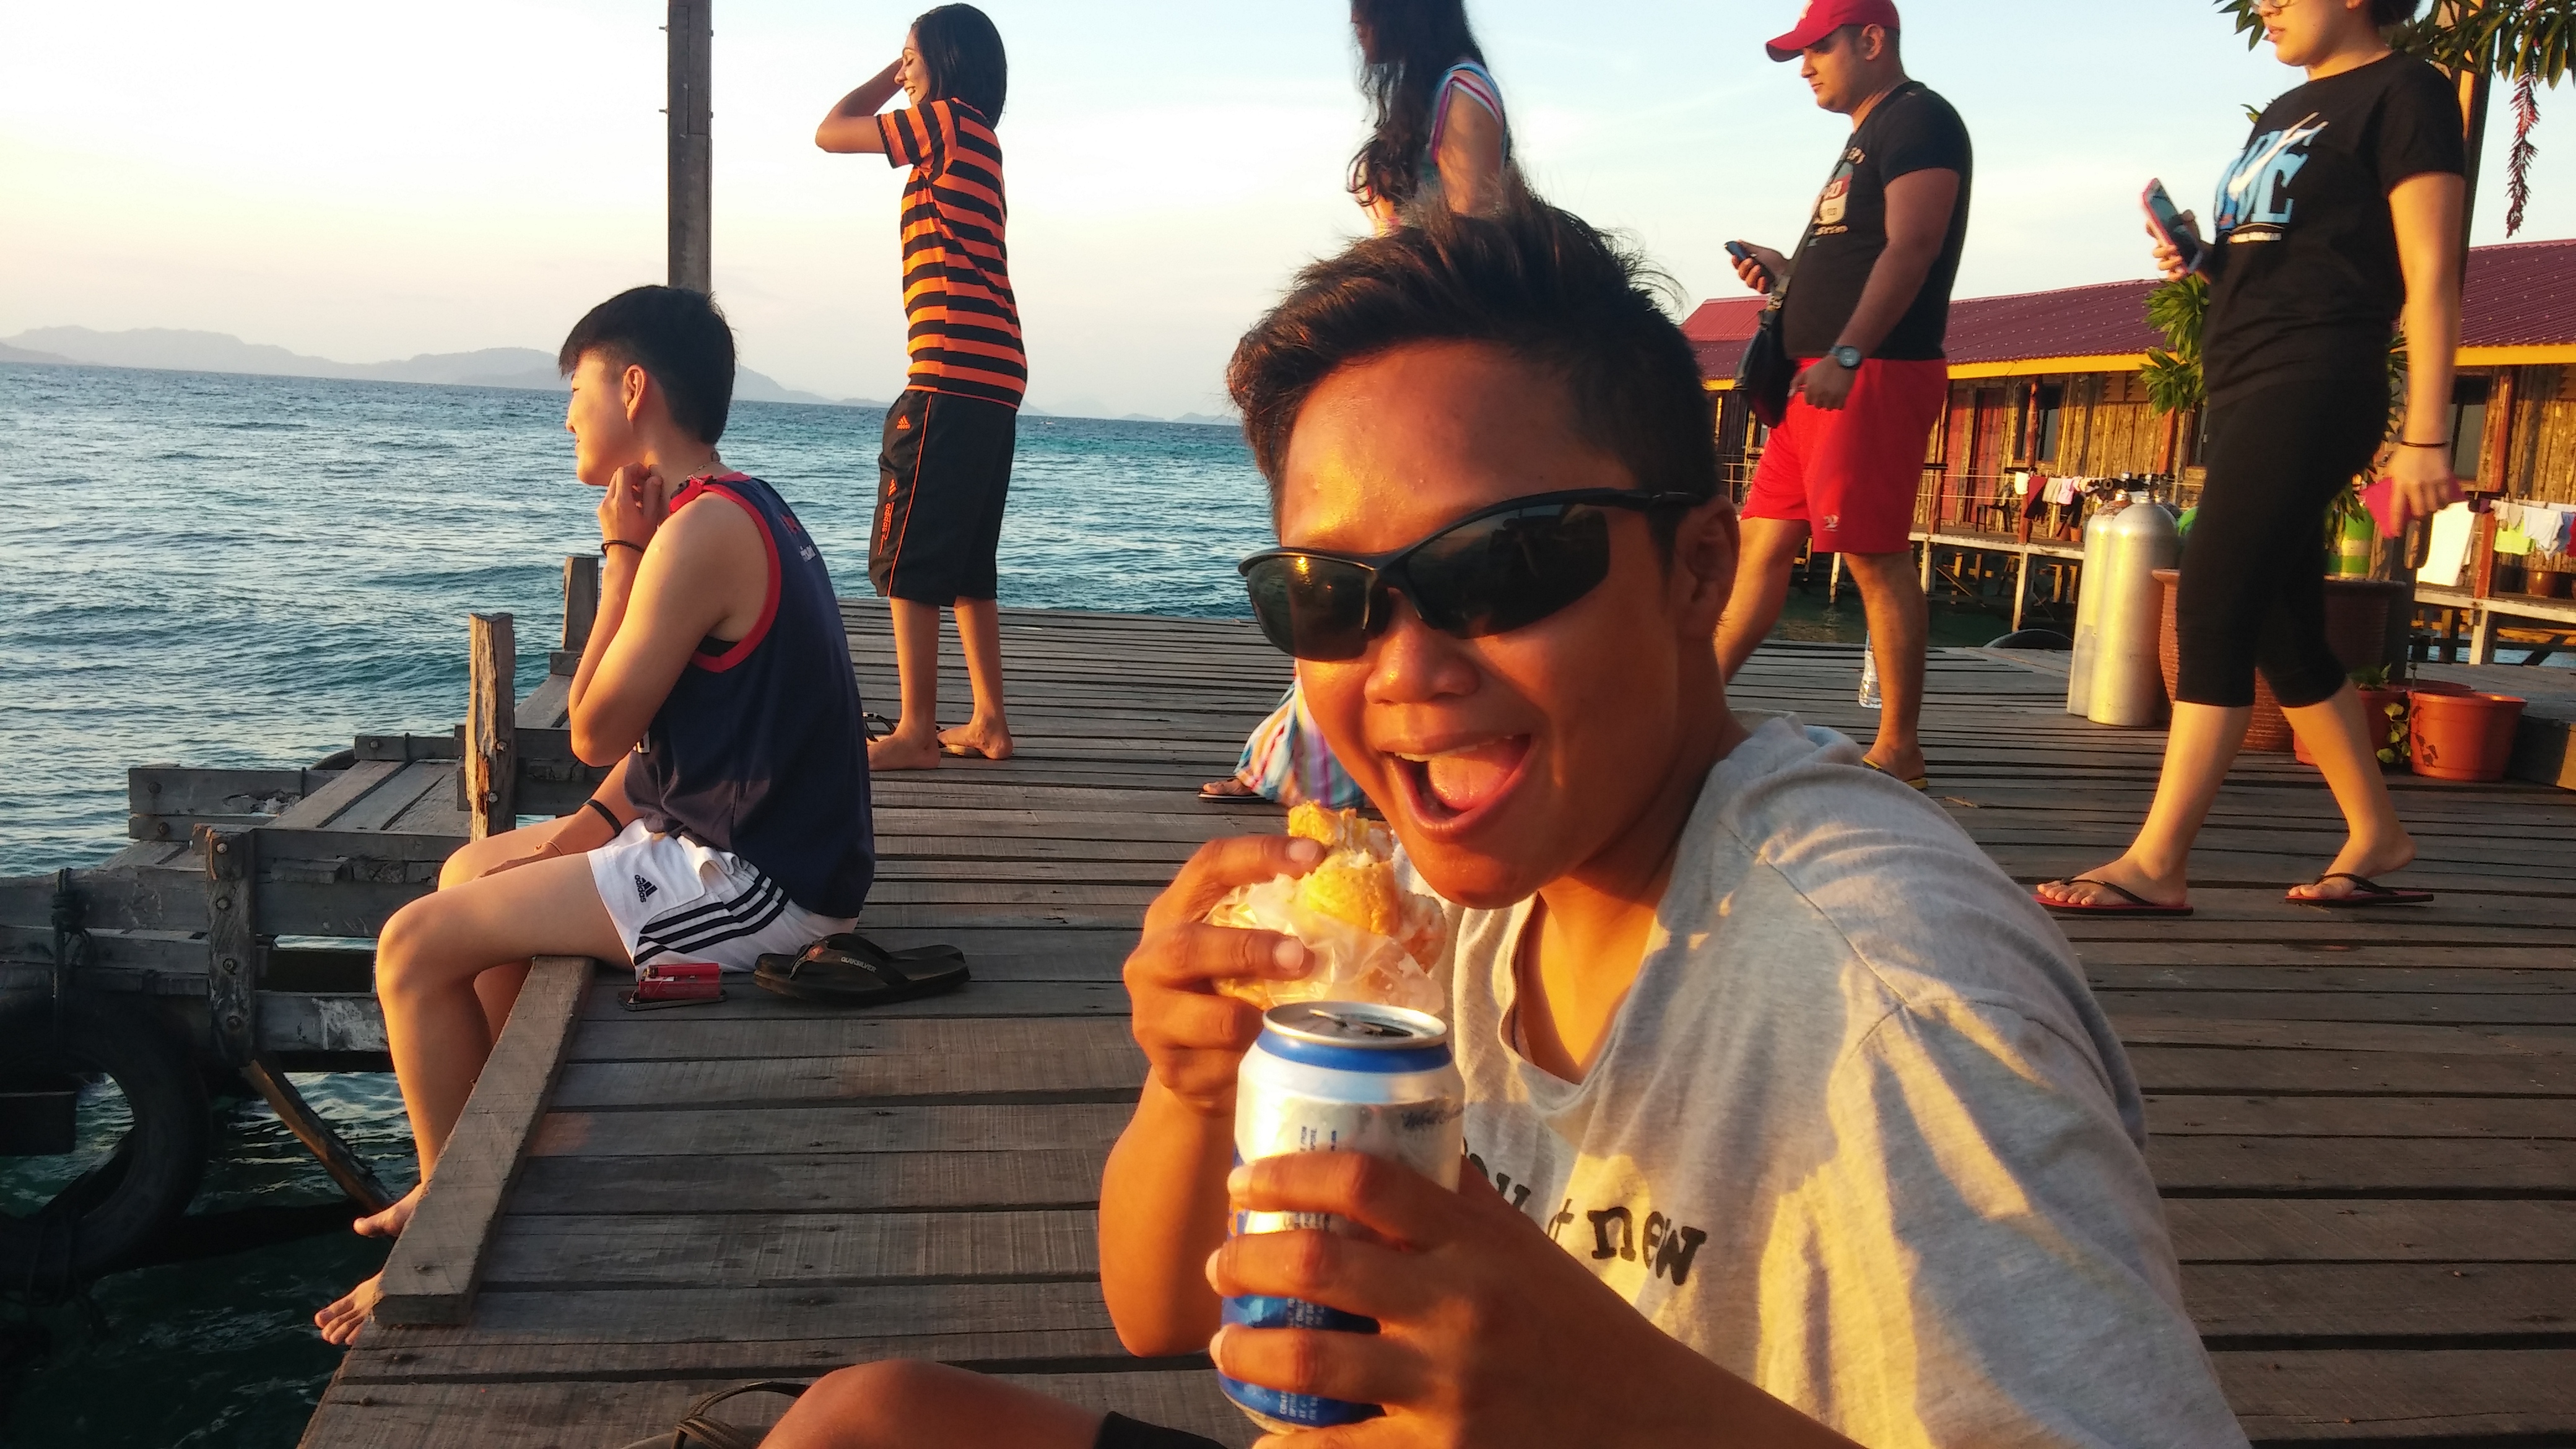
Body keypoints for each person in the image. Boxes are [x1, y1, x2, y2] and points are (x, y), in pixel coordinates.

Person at [755, 206, 2247, 1448]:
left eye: (1505, 566)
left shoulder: (1893, 993)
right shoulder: (1445, 904)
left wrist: (1635, 1420)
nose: (1404, 669)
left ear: (1696, 570)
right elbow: (1160, 1313)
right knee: (867, 1422)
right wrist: (1191, 1086)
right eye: (1329, 596)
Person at [313, 286, 876, 1346]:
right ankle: (488, 1149)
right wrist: (577, 836)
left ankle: (443, 1216)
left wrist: (619, 556)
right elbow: (667, 745)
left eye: (577, 389)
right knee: (469, 877)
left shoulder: (697, 532)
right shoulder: (740, 506)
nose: (568, 415)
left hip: (766, 885)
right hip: (719, 838)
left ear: (633, 387)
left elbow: (595, 728)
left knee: (411, 948)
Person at [2038, 0, 2463, 916]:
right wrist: (2202, 258)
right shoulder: (2283, 110)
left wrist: (2426, 433)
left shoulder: (2407, 92)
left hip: (2317, 379)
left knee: (2212, 596)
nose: (2262, 3)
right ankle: (2376, 834)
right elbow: (2286, 258)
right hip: (2241, 381)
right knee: (2280, 624)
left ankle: (2158, 861)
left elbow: (2432, 273)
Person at [1203, 0, 1514, 803]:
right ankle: (1306, 765)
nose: (1357, 28)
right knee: (1351, 574)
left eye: (1367, 13)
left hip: (1431, 370)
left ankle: (1333, 772)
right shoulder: (1428, 103)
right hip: (1401, 357)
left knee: (1372, 579)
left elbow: (1473, 246)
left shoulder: (1461, 95)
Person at [1716, 0, 1970, 791]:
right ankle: (1689, 701)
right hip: (1813, 381)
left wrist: (1848, 354)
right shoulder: (1869, 135)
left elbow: (1914, 244)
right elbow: (1858, 255)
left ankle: (1899, 748)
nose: (1804, 67)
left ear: (1870, 39)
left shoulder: (1918, 119)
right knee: (1759, 546)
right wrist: (1785, 277)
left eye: (1816, 49)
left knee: (1871, 555)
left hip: (1868, 373)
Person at [816, 4, 1022, 771]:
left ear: (945, 59)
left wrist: (888, 76)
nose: (904, 71)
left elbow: (830, 130)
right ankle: (989, 721)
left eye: (911, 57)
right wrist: (909, 66)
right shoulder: (980, 136)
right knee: (966, 561)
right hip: (994, 372)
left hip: (949, 366)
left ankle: (914, 732)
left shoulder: (945, 122)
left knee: (905, 556)